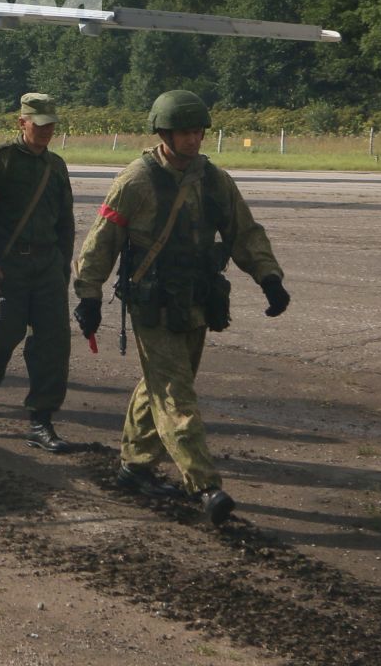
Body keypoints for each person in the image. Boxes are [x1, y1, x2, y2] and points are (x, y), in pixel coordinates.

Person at [72, 90, 291, 525]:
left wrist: (269, 277)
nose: (194, 140)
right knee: (176, 394)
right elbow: (101, 242)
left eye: (198, 131)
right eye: (185, 132)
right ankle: (205, 485)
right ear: (164, 133)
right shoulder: (135, 181)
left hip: (197, 300)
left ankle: (134, 465)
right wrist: (89, 295)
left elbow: (243, 231)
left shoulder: (215, 181)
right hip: (152, 303)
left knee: (163, 382)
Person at [0, 93, 76, 451]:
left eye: (51, 124)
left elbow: (65, 223)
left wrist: (62, 268)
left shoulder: (56, 166)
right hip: (7, 268)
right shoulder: (2, 161)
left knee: (53, 345)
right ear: (22, 123)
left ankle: (41, 421)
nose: (45, 130)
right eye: (38, 124)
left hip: (47, 268)